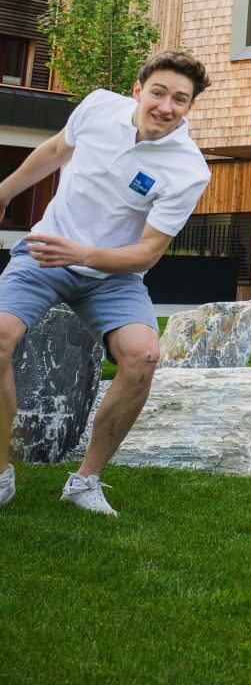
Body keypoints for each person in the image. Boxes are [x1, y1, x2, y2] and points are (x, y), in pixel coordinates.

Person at [0, 51, 212, 516]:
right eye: (158, 92)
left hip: (114, 274)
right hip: (44, 254)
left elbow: (148, 252)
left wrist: (84, 255)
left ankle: (85, 481)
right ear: (138, 91)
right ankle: (1, 474)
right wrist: (6, 191)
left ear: (190, 107)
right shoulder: (97, 107)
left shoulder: (188, 170)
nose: (166, 106)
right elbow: (56, 151)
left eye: (180, 99)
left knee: (143, 357)